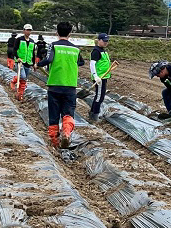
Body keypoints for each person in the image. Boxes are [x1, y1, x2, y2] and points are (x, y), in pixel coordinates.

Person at [36, 21, 84, 149]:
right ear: (70, 33)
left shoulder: (53, 46)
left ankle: (55, 143)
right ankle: (67, 133)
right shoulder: (75, 49)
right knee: (68, 113)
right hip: (70, 86)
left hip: (55, 85)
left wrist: (38, 64)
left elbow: (49, 59)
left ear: (57, 32)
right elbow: (81, 63)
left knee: (54, 114)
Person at [10, 24, 37, 101]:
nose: (28, 32)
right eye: (27, 30)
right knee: (23, 76)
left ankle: (20, 94)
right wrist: (17, 58)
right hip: (20, 62)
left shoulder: (32, 41)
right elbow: (14, 50)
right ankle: (13, 81)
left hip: (28, 62)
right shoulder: (19, 39)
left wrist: (34, 63)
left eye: (30, 30)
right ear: (24, 31)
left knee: (24, 80)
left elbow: (33, 53)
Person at [89, 33, 111, 122]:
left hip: (104, 77)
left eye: (107, 41)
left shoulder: (103, 51)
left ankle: (92, 112)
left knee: (101, 96)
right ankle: (95, 115)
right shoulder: (96, 51)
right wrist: (95, 76)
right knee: (99, 97)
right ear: (99, 40)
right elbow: (92, 64)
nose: (106, 43)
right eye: (104, 41)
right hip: (99, 78)